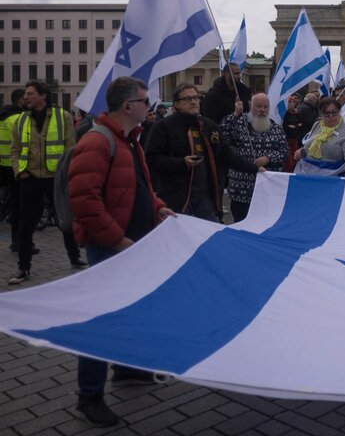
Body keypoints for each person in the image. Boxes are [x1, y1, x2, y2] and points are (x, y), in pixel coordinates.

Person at [67, 77, 176, 427]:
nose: (151, 106)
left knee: (129, 309)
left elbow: (139, 186)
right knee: (102, 320)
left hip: (131, 243)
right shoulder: (98, 142)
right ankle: (89, 396)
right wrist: (117, 240)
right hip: (111, 246)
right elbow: (84, 201)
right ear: (128, 106)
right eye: (146, 100)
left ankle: (127, 369)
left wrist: (158, 207)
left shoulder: (129, 140)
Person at [145, 84, 262, 222]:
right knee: (179, 238)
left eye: (196, 97)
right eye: (188, 99)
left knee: (212, 235)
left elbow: (227, 154)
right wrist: (182, 162)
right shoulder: (163, 127)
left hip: (206, 196)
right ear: (176, 104)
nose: (194, 102)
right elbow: (152, 158)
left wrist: (255, 169)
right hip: (177, 197)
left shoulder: (209, 125)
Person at [8, 81, 85, 285]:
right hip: (30, 178)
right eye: (25, 94)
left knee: (65, 220)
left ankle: (74, 255)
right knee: (26, 225)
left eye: (30, 93)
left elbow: (71, 148)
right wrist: (19, 172)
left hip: (55, 178)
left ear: (43, 96)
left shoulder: (63, 117)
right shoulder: (21, 119)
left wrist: (66, 174)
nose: (26, 97)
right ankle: (23, 267)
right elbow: (14, 150)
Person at [220, 93, 288, 222]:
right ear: (250, 105)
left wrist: (269, 158)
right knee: (241, 222)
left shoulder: (276, 128)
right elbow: (223, 136)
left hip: (267, 190)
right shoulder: (238, 123)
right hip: (241, 188)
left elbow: (284, 151)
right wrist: (234, 114)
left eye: (265, 107)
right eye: (258, 106)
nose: (262, 110)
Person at [293, 97, 345, 178]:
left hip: (330, 177)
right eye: (327, 113)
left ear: (339, 112)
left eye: (334, 112)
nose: (331, 116)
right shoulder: (317, 125)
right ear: (321, 114)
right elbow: (310, 143)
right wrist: (301, 151)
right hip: (306, 173)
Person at [0, 88, 26, 253]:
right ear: (20, 101)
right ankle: (17, 242)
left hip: (1, 165)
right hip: (15, 167)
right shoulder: (18, 118)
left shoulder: (2, 117)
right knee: (19, 206)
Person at [282, 94, 302, 172]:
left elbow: (299, 124)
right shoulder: (284, 114)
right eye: (290, 102)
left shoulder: (296, 113)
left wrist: (295, 126)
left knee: (294, 157)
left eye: (293, 102)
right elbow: (286, 126)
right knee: (288, 159)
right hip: (287, 138)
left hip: (294, 138)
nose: (292, 104)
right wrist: (294, 126)